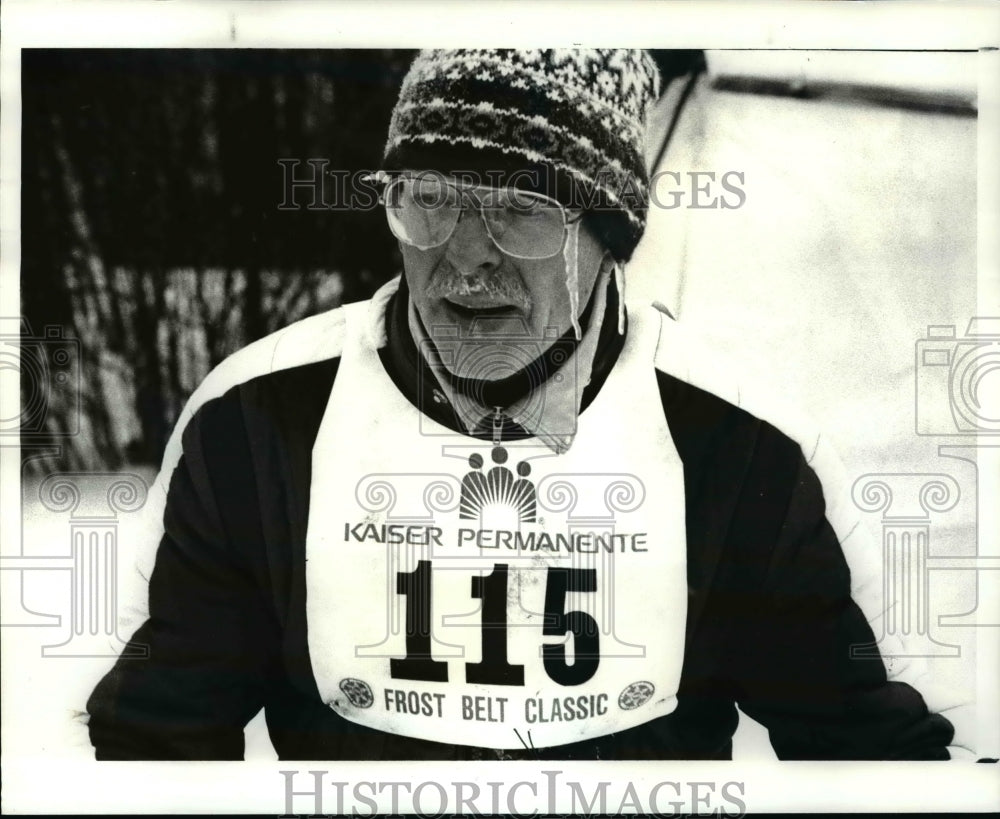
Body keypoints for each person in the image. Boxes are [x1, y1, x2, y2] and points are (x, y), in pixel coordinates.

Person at [87, 48, 960, 760]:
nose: (465, 258)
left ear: (607, 239)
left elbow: (867, 758)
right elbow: (159, 739)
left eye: (524, 209)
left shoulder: (738, 450)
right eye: (430, 200)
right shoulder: (258, 425)